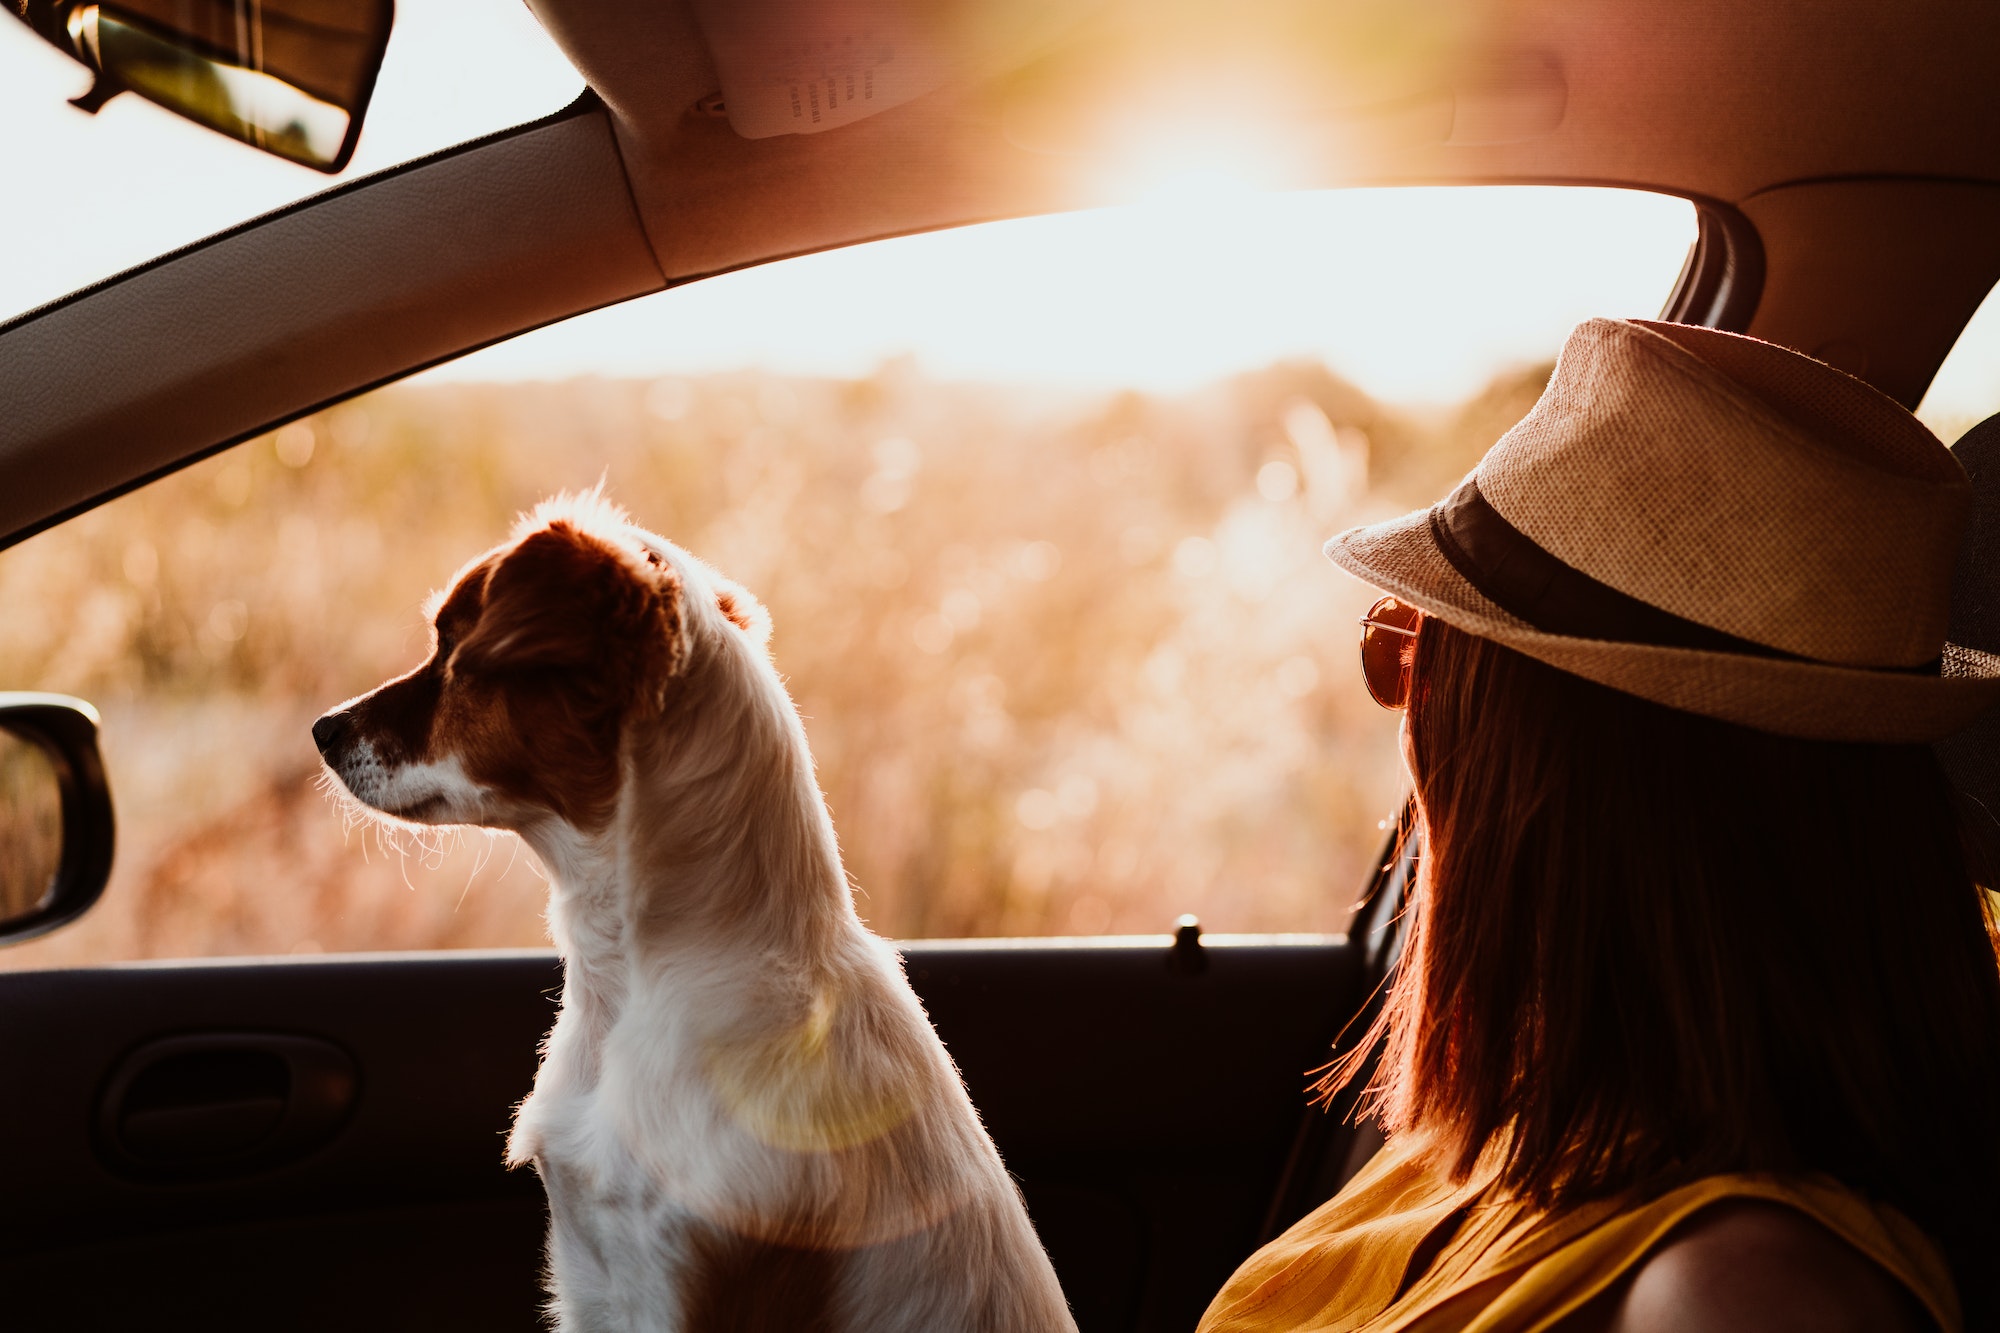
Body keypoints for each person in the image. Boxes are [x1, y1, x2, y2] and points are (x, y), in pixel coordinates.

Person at [1199, 319, 2000, 1333]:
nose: (1405, 722)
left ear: (1542, 775)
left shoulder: (1735, 1295)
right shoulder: (1536, 1131)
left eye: (1411, 660)